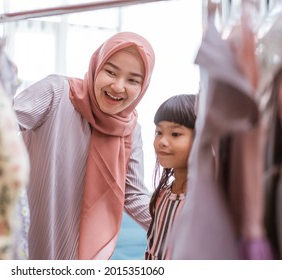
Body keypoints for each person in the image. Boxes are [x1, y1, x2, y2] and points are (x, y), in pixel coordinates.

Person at [13, 32, 155, 260]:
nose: (118, 86)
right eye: (111, 72)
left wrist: (175, 223)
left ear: (143, 86)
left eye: (132, 80)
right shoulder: (56, 92)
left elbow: (133, 195)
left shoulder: (131, 129)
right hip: (33, 242)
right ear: (97, 66)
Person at [145, 94, 196, 260]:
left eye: (175, 134)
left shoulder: (203, 202)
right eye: (159, 132)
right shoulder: (162, 195)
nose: (162, 141)